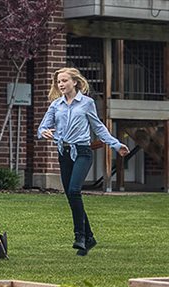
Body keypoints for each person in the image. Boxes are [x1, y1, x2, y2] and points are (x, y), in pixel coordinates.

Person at [38, 67, 130, 256]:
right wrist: (44, 132)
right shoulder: (56, 105)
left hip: (82, 152)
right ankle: (89, 238)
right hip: (63, 153)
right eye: (59, 82)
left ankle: (79, 236)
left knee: (74, 190)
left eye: (64, 81)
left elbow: (98, 127)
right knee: (71, 195)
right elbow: (43, 127)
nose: (61, 84)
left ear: (75, 82)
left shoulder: (87, 103)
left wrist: (116, 144)